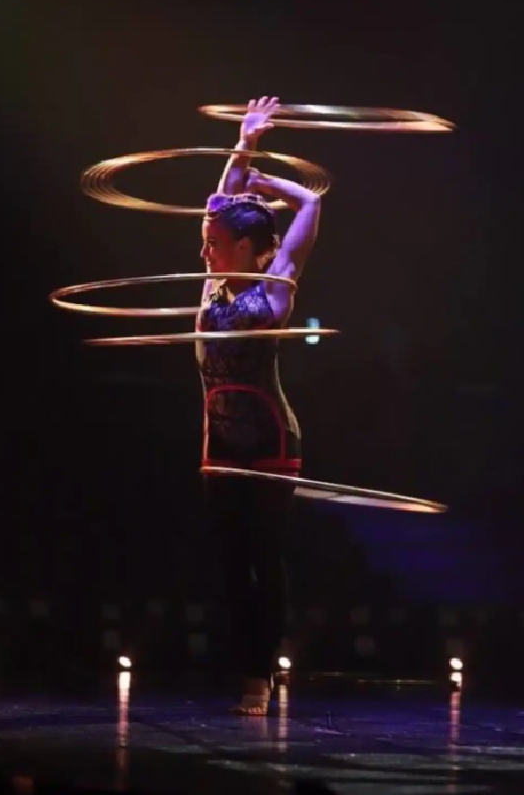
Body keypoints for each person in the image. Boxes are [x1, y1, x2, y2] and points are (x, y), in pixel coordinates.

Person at [196, 97, 321, 714]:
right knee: (224, 566)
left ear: (247, 248)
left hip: (270, 446)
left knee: (261, 564)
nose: (205, 251)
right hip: (220, 447)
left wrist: (270, 180)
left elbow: (313, 204)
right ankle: (242, 667)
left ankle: (259, 675)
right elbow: (220, 202)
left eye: (215, 243)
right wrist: (243, 146)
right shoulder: (210, 286)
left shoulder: (274, 296)